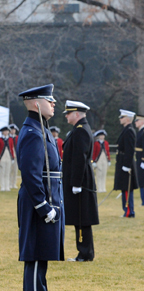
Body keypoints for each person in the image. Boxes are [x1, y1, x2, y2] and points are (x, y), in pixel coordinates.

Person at [16, 84, 64, 291]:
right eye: (49, 100)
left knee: (41, 255)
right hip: (39, 202)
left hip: (46, 198)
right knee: (35, 256)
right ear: (36, 103)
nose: (53, 103)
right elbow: (31, 174)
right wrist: (43, 206)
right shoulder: (33, 132)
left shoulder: (40, 128)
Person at [62, 100, 99, 262]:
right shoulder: (79, 130)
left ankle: (84, 253)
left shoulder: (80, 131)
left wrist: (76, 183)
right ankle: (84, 252)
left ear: (77, 114)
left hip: (81, 183)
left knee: (81, 218)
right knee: (80, 218)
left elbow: (79, 159)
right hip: (80, 181)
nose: (66, 116)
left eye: (68, 113)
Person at [114, 109, 138, 217]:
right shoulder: (126, 130)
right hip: (122, 161)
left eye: (122, 117)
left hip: (125, 163)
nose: (120, 119)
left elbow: (130, 149)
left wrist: (127, 165)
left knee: (127, 188)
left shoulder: (129, 131)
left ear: (128, 119)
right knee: (124, 188)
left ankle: (129, 211)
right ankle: (127, 210)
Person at [0, 126, 12, 191]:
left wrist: (12, 157)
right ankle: (3, 186)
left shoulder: (10, 139)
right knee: (2, 172)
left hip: (9, 157)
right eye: (5, 131)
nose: (6, 132)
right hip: (2, 157)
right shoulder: (0, 139)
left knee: (8, 172)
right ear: (2, 132)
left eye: (7, 131)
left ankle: (7, 186)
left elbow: (11, 148)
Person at [9, 124, 19, 189]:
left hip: (16, 155)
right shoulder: (8, 138)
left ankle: (14, 183)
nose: (13, 131)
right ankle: (9, 183)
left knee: (15, 170)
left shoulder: (17, 137)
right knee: (9, 170)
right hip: (10, 155)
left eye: (14, 130)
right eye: (12, 130)